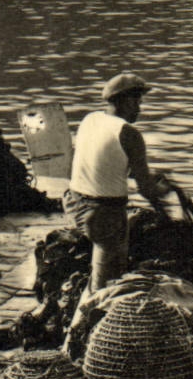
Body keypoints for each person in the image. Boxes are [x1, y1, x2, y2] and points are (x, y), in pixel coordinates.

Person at [66, 73, 170, 292]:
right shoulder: (129, 134)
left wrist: (145, 174)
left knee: (106, 262)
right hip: (103, 217)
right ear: (122, 101)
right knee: (108, 288)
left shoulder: (90, 119)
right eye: (136, 101)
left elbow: (104, 163)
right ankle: (91, 318)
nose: (139, 109)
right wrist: (166, 189)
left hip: (74, 204)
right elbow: (147, 189)